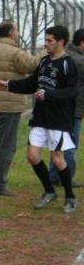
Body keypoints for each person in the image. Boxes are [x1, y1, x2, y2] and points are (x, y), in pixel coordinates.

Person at [0, 25, 78, 213]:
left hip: (58, 119)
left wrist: (49, 94)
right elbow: (31, 84)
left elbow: (71, 92)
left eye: (49, 41)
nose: (45, 44)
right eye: (45, 40)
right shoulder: (44, 61)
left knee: (58, 159)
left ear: (61, 42)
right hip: (40, 117)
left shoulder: (67, 63)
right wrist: (8, 85)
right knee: (32, 155)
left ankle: (70, 197)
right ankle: (49, 191)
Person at [0, 21, 40, 196]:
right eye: (17, 30)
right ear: (12, 33)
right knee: (7, 146)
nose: (18, 33)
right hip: (10, 105)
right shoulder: (15, 52)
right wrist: (44, 52)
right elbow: (32, 65)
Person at [49, 28, 84, 186]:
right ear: (82, 43)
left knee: (57, 143)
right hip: (72, 109)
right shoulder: (79, 61)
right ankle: (66, 177)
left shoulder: (65, 55)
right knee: (69, 144)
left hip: (58, 106)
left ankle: (54, 176)